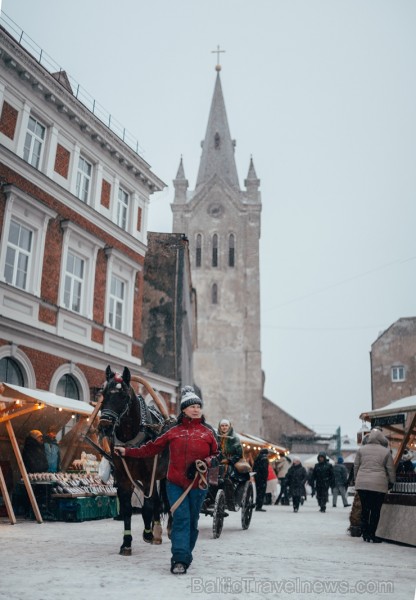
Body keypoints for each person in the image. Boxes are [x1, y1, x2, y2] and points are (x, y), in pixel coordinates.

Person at [114, 386, 218, 575]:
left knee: (192, 522)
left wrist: (206, 464)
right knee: (181, 520)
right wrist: (127, 451)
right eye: (191, 406)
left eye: (198, 406)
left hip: (198, 484)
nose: (196, 409)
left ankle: (185, 555)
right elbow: (150, 448)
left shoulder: (208, 433)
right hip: (175, 484)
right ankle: (179, 559)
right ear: (184, 410)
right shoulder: (173, 432)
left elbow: (218, 456)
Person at [354, 428, 395, 543]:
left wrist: (356, 479)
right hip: (378, 485)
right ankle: (372, 534)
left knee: (365, 509)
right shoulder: (385, 451)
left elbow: (356, 467)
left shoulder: (361, 450)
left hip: (362, 485)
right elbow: (390, 469)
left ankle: (365, 533)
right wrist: (392, 482)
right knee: (375, 510)